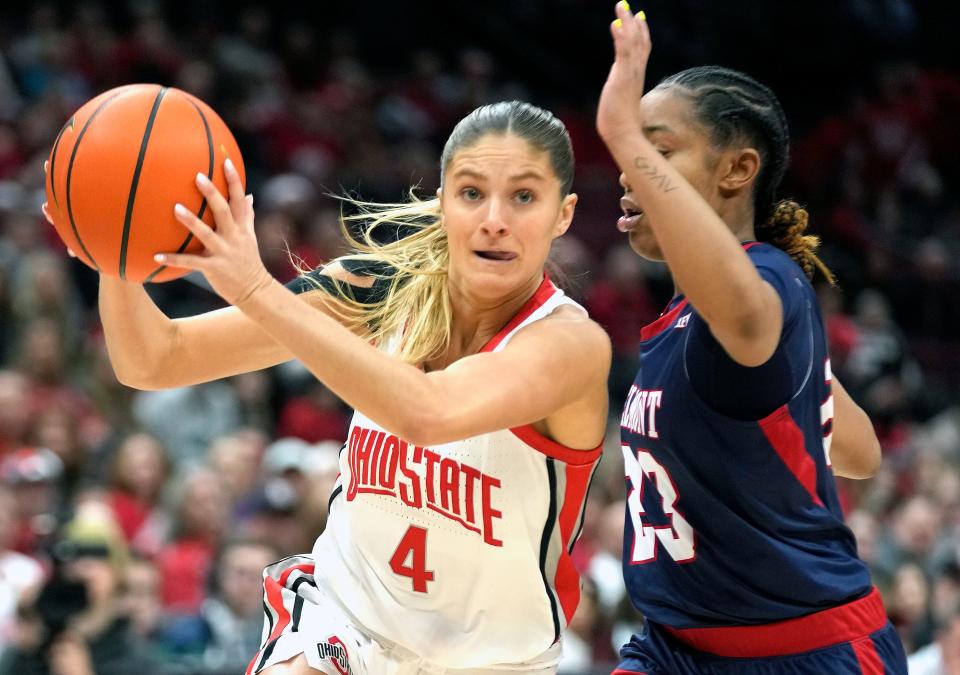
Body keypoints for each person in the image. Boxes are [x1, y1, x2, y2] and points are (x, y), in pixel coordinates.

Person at [45, 100, 609, 673]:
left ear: (563, 215)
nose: (494, 218)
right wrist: (114, 244)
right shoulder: (374, 292)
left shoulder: (569, 347)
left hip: (491, 662)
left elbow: (428, 413)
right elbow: (153, 360)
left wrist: (254, 290)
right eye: (470, 193)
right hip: (345, 625)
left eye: (523, 196)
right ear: (442, 205)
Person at [595, 3, 908, 673]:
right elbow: (858, 449)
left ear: (735, 170)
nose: (628, 166)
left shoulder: (768, 285)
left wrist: (622, 127)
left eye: (658, 147)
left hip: (805, 649)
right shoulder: (691, 317)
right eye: (632, 147)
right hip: (674, 647)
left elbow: (744, 317)